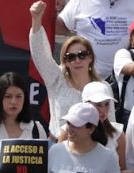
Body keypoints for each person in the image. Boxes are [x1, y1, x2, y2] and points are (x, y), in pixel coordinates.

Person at [30, 1, 104, 138]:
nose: (77, 60)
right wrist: (36, 20)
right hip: (59, 146)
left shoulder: (102, 87)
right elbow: (41, 55)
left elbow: (110, 125)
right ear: (65, 62)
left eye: (82, 55)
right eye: (71, 57)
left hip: (93, 150)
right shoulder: (56, 79)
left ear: (91, 58)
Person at [56, 0, 134, 78]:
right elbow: (60, 27)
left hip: (123, 77)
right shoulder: (80, 2)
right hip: (86, 76)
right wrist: (51, 10)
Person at [72, 81, 132, 173]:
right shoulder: (69, 131)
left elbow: (122, 172)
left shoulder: (118, 134)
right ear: (86, 104)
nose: (103, 110)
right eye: (98, 105)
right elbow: (60, 170)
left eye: (107, 104)